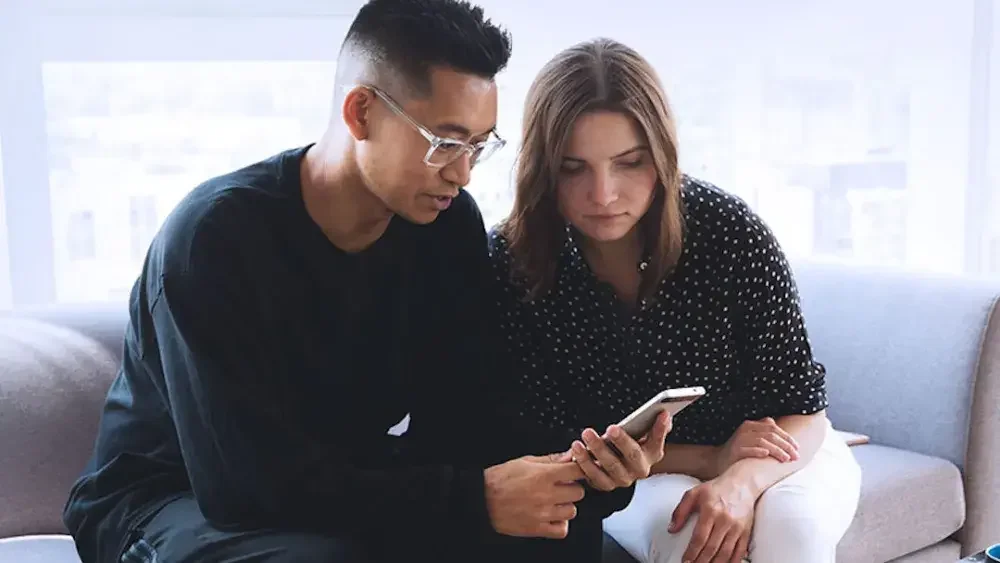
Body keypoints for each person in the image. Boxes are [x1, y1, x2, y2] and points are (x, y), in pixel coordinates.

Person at [62, 4, 670, 562]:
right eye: (445, 143)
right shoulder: (213, 241)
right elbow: (241, 487)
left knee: (561, 541)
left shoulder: (446, 225)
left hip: (344, 481)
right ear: (362, 113)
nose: (461, 173)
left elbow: (463, 421)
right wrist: (470, 500)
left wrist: (583, 468)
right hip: (173, 497)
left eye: (478, 147)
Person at [489, 38, 862, 563]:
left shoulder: (729, 233)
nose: (603, 194)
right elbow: (543, 442)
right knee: (693, 537)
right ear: (542, 168)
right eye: (574, 168)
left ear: (661, 155)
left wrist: (738, 482)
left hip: (777, 454)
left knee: (792, 531)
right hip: (641, 475)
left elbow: (802, 408)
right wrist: (710, 460)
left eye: (628, 163)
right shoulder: (513, 264)